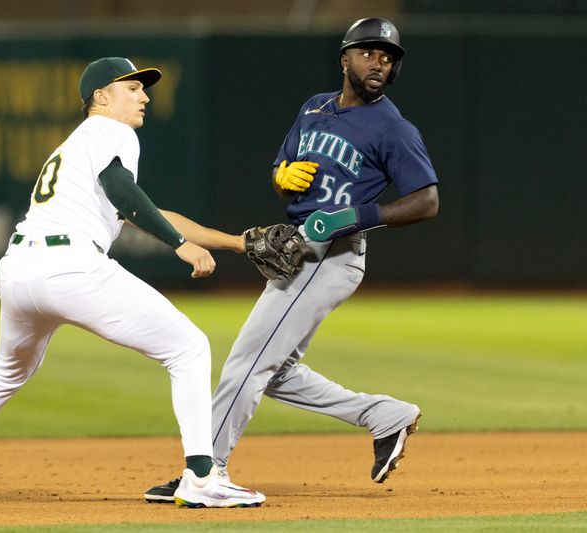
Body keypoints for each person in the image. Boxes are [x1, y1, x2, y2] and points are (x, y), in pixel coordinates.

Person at [0, 57, 265, 508]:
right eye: (132, 88)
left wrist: (233, 243)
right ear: (101, 97)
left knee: (7, 370)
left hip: (18, 269)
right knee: (188, 347)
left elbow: (143, 209)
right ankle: (201, 476)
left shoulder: (77, 145)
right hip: (71, 267)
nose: (144, 96)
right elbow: (124, 194)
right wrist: (177, 244)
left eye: (142, 89)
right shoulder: (113, 132)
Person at [144, 17, 439, 503]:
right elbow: (282, 167)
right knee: (275, 371)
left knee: (246, 363)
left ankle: (206, 471)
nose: (379, 63)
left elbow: (426, 201)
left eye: (388, 57)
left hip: (333, 253)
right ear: (345, 59)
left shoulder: (393, 128)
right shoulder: (314, 107)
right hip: (298, 249)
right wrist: (283, 176)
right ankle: (385, 416)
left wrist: (353, 216)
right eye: (368, 52)